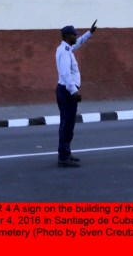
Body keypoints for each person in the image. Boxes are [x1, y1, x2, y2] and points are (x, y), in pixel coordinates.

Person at [55, 20, 98, 167]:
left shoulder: (65, 48)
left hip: (64, 91)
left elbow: (78, 43)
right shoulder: (65, 53)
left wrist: (89, 33)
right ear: (68, 36)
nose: (76, 37)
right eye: (74, 35)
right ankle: (63, 157)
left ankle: (65, 152)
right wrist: (75, 91)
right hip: (67, 92)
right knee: (67, 125)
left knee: (66, 123)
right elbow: (66, 74)